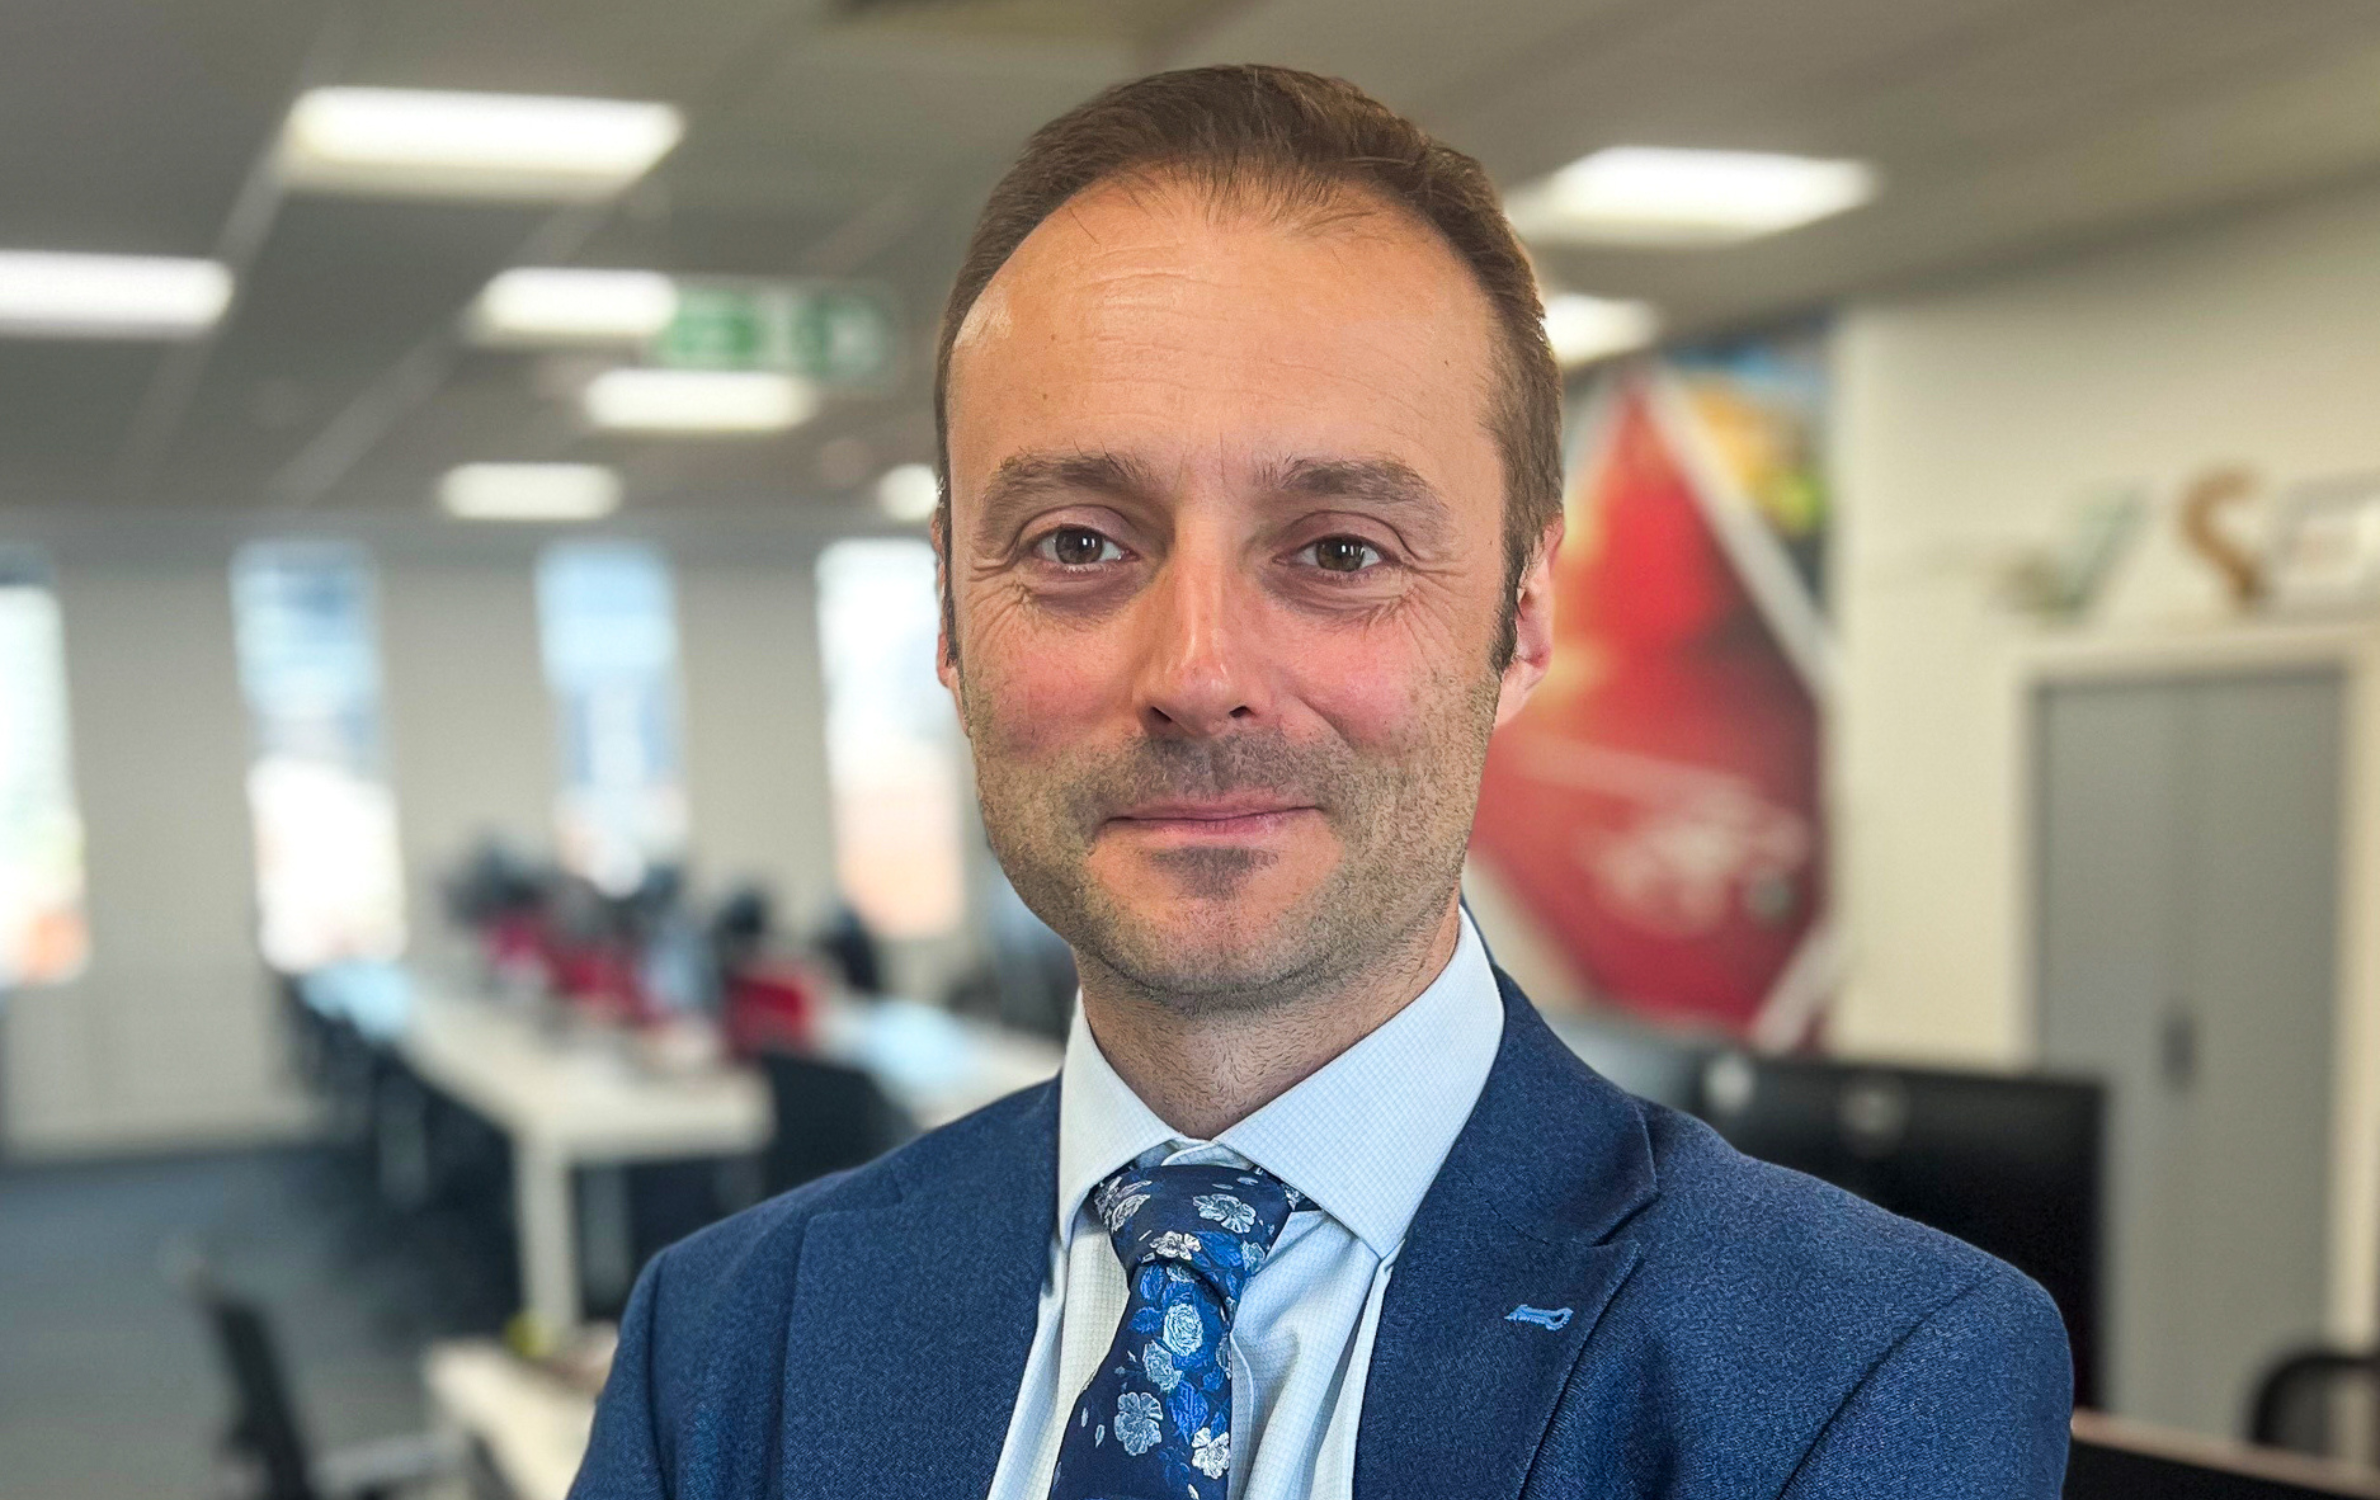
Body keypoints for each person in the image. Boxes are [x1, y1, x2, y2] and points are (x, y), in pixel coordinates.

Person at [570, 64, 2071, 1499]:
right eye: (1078, 544)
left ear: (1522, 623)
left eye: (1340, 550)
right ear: (954, 624)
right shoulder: (723, 1343)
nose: (1198, 670)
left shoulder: (1859, 1379)